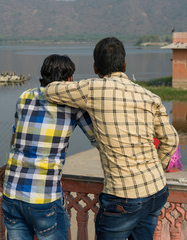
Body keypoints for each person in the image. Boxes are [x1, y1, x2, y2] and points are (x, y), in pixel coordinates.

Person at [44, 37, 179, 240]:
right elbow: (170, 140)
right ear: (125, 65)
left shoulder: (92, 89)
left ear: (95, 67)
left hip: (123, 197)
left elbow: (50, 90)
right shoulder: (150, 97)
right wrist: (157, 167)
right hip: (156, 190)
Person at [0, 54, 97, 240]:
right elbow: (97, 139)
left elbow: (16, 135)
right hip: (43, 196)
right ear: (68, 79)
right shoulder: (73, 105)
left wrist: (10, 164)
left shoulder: (25, 96)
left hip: (12, 191)